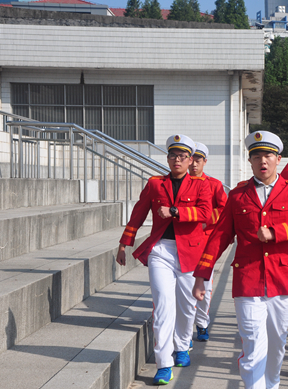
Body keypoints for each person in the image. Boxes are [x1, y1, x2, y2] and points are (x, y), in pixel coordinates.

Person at [192, 131, 288, 389]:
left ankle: (270, 385)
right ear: (250, 161)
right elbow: (220, 236)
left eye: (268, 155)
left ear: (278, 159)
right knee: (252, 344)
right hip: (248, 280)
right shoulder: (238, 196)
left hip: (282, 281)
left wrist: (276, 233)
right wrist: (201, 274)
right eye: (257, 155)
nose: (263, 160)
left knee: (276, 347)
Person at [116, 134, 212, 385]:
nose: (177, 160)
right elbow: (138, 213)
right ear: (167, 158)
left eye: (182, 156)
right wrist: (125, 242)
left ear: (190, 160)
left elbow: (205, 213)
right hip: (161, 251)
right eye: (172, 155)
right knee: (162, 307)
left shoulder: (202, 185)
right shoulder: (155, 184)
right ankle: (164, 363)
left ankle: (182, 346)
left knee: (186, 305)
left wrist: (176, 211)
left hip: (191, 251)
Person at [188, 142, 227, 342]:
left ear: (205, 161)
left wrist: (201, 218)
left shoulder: (214, 184)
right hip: (184, 242)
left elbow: (223, 210)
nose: (194, 164)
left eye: (198, 160)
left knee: (206, 286)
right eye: (191, 159)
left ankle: (202, 324)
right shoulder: (180, 181)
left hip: (205, 241)